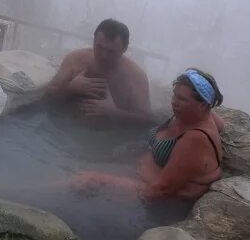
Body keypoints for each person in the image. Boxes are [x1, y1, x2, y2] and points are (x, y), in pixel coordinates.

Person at [73, 68, 226, 201]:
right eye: (175, 95)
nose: (174, 102)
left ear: (203, 105)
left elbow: (159, 191)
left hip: (149, 193)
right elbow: (220, 123)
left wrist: (102, 180)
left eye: (182, 99)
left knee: (83, 180)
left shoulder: (196, 138)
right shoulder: (199, 115)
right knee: (79, 166)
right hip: (138, 172)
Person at [46, 19, 155, 126]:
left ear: (125, 48)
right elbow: (48, 96)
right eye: (99, 47)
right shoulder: (75, 60)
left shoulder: (135, 76)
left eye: (111, 51)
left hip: (107, 138)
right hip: (65, 127)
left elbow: (146, 120)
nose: (103, 55)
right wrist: (70, 88)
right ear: (93, 41)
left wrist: (114, 113)